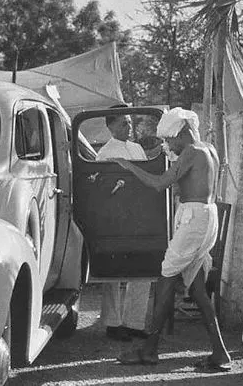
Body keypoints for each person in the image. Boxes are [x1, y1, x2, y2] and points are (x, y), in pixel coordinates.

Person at [110, 107, 231, 371]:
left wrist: (128, 166)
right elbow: (189, 183)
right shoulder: (208, 149)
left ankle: (150, 349)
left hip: (194, 220)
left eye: (169, 139)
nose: (168, 145)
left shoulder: (191, 152)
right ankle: (221, 353)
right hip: (206, 218)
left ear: (181, 133)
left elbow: (159, 184)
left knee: (166, 276)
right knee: (197, 288)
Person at [96, 107, 152, 341]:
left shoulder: (137, 148)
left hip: (139, 213)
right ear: (110, 126)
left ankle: (134, 323)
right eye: (123, 124)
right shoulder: (105, 153)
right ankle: (112, 323)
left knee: (142, 267)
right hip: (116, 215)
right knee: (114, 269)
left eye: (129, 123)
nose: (128, 128)